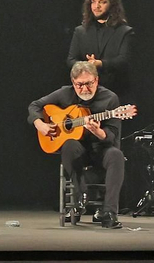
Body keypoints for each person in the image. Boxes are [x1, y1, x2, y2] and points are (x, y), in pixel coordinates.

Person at [28, 61, 127, 228]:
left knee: (116, 155)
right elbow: (34, 105)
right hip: (77, 151)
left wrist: (98, 132)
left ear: (96, 80)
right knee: (69, 144)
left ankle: (109, 213)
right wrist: (40, 124)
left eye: (89, 83)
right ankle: (78, 201)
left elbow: (112, 136)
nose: (85, 89)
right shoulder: (64, 94)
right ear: (73, 83)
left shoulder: (110, 99)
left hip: (101, 150)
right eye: (80, 85)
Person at [65, 0, 134, 96]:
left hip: (116, 91)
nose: (96, 6)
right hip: (85, 92)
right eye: (93, 2)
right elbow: (71, 59)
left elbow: (124, 60)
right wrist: (87, 66)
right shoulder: (80, 31)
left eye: (102, 2)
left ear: (112, 5)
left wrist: (100, 64)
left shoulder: (124, 31)